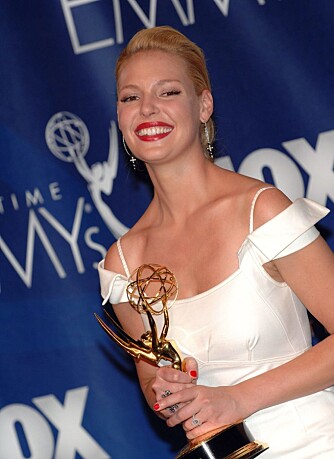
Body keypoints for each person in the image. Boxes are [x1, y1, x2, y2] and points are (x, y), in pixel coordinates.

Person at [98, 26, 334, 457]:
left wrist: (237, 399)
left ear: (203, 105)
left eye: (167, 92)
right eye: (130, 97)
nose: (147, 108)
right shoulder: (123, 265)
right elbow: (154, 382)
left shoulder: (260, 210)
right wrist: (167, 393)